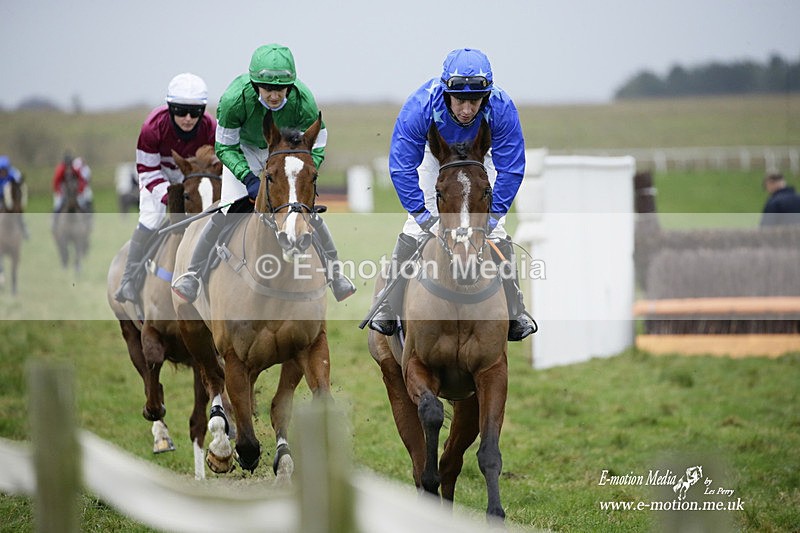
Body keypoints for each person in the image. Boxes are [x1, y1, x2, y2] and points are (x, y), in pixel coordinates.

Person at [367, 47, 536, 341]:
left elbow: (511, 168)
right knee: (415, 228)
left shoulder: (502, 107)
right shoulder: (420, 106)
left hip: (483, 158)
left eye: (475, 101)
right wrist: (421, 216)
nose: (467, 110)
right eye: (460, 101)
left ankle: (515, 310)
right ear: (447, 93)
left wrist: (494, 217)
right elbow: (402, 166)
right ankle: (388, 305)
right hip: (436, 160)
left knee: (496, 234)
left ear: (487, 94)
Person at [171, 43, 355, 303]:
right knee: (226, 211)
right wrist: (247, 177)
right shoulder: (234, 100)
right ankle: (193, 274)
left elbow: (319, 141)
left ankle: (335, 273)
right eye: (268, 89)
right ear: (255, 84)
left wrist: (306, 170)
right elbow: (224, 146)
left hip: (284, 154)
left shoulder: (304, 100)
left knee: (305, 210)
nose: (274, 96)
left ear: (290, 87)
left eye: (280, 89)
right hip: (243, 151)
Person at [114, 72, 217, 303]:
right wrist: (171, 197)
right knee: (151, 217)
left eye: (195, 112)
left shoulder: (211, 127)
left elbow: (215, 163)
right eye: (181, 111)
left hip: (192, 175)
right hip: (158, 174)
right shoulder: (152, 127)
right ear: (170, 108)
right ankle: (129, 279)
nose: (188, 118)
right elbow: (147, 171)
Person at [0, 155, 28, 239]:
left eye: (5, 170)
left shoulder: (14, 173)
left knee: (18, 212)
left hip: (10, 197)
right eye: (1, 170)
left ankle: (24, 229)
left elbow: (20, 184)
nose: (3, 172)